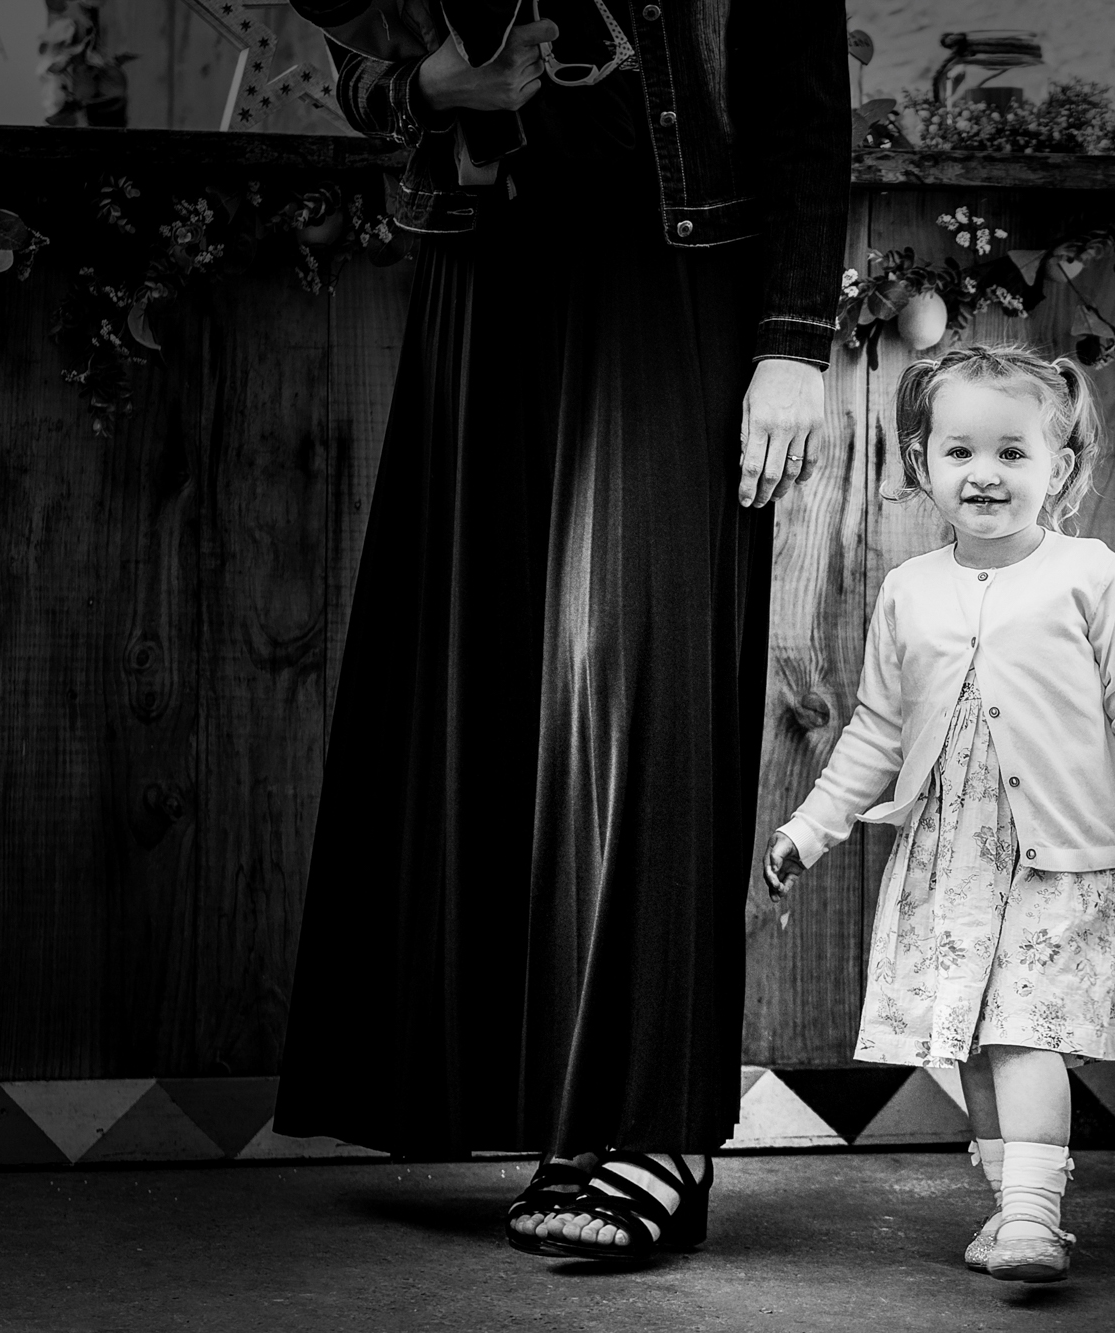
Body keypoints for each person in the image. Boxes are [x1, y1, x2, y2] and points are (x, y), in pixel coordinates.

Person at [272, 0, 848, 1263]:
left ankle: (652, 1126)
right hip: (487, 281)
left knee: (640, 679)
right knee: (473, 680)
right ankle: (527, 1110)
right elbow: (353, 72)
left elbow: (801, 105)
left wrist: (795, 338)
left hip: (676, 274)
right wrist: (441, 84)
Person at [762, 345, 1115, 1284]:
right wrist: (810, 827)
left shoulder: (1097, 576)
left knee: (1022, 1030)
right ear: (922, 464)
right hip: (948, 853)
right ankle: (1010, 1207)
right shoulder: (909, 591)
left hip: (1063, 853)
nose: (985, 473)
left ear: (1060, 467)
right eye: (959, 451)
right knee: (972, 1039)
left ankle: (1037, 1215)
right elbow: (876, 731)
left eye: (1012, 452)